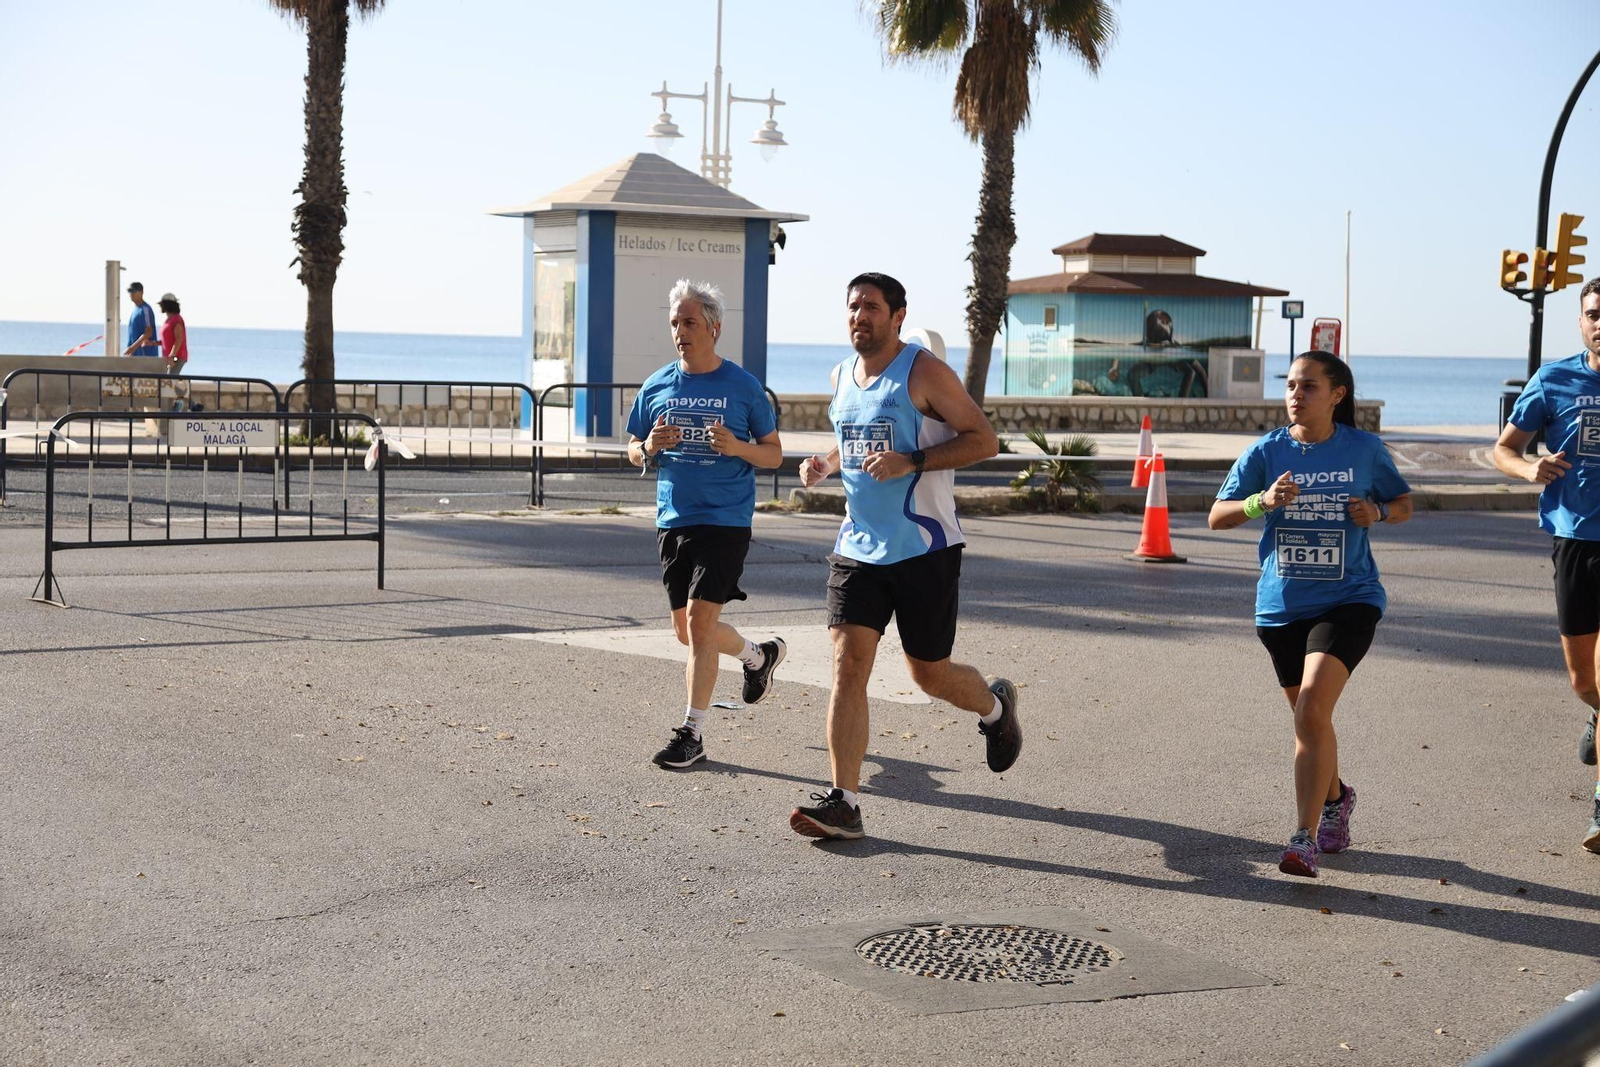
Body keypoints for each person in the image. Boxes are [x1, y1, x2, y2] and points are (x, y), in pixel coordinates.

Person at [788, 272, 1020, 841]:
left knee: (930, 675)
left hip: (924, 547)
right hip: (857, 546)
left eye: (871, 307)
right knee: (848, 664)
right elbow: (854, 439)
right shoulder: (841, 375)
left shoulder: (924, 372)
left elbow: (984, 440)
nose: (859, 316)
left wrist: (910, 460)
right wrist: (825, 463)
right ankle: (844, 802)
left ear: (897, 317)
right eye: (853, 306)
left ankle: (995, 709)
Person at [1210, 351, 1412, 878]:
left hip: (1350, 598)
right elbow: (1217, 516)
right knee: (1312, 719)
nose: (1296, 395)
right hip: (1282, 606)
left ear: (1337, 395)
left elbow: (1404, 504)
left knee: (1310, 711)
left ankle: (1303, 838)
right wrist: (1261, 502)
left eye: (1309, 386)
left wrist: (1378, 512)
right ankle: (1337, 798)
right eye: (1291, 386)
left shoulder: (1365, 450)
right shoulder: (1266, 451)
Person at [625, 279, 787, 770]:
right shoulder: (657, 384)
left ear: (714, 328)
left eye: (690, 322)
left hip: (725, 520)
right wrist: (648, 447)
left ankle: (691, 733)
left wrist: (737, 447)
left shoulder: (743, 386)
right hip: (673, 519)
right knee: (688, 632)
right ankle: (758, 656)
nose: (680, 331)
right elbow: (631, 448)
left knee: (699, 624)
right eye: (675, 322)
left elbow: (774, 454)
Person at [1493, 276, 1600, 853]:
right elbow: (1504, 449)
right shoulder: (1554, 379)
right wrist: (1528, 468)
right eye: (1594, 314)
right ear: (1581, 321)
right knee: (1585, 682)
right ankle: (1595, 715)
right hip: (1576, 540)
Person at [122, 282, 159, 358]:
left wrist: (133, 347)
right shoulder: (135, 310)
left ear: (141, 292)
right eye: (130, 291)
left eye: (134, 291)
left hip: (146, 355)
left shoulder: (145, 309)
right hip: (136, 355)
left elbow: (149, 332)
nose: (131, 294)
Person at [157, 293, 187, 376]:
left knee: (169, 381)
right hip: (169, 358)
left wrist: (172, 355)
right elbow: (167, 340)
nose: (160, 306)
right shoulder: (168, 320)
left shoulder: (176, 319)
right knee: (167, 381)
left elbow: (179, 339)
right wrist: (152, 343)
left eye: (162, 304)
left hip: (176, 357)